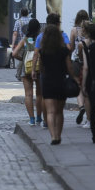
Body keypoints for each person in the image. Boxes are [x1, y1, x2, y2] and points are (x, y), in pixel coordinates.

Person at [34, 16, 77, 144]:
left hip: (47, 82)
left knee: (50, 112)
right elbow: (69, 67)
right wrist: (74, 78)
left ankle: (53, 136)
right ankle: (58, 135)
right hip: (60, 82)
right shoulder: (63, 51)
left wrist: (39, 74)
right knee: (59, 112)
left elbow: (41, 67)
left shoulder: (43, 51)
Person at [31, 13, 70, 128]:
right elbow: (68, 49)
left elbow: (36, 54)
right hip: (60, 71)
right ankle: (56, 119)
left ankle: (46, 120)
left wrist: (33, 69)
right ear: (58, 24)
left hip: (45, 71)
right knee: (59, 98)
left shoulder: (40, 37)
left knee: (45, 96)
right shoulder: (63, 36)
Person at [13, 18, 41, 125]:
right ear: (38, 29)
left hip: (26, 68)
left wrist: (23, 59)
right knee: (39, 94)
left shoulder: (24, 40)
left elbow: (14, 53)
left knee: (28, 95)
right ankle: (39, 117)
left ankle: (32, 119)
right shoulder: (39, 39)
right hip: (39, 67)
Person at [70, 10, 90, 125]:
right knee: (87, 86)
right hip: (88, 61)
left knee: (78, 86)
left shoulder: (74, 30)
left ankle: (81, 106)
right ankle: (88, 114)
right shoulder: (89, 29)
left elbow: (72, 47)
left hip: (77, 62)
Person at [11, 8, 30, 74]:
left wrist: (13, 44)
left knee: (21, 58)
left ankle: (19, 74)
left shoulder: (18, 21)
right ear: (28, 13)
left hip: (22, 43)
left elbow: (15, 33)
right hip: (30, 42)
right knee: (29, 57)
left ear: (21, 14)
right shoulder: (31, 21)